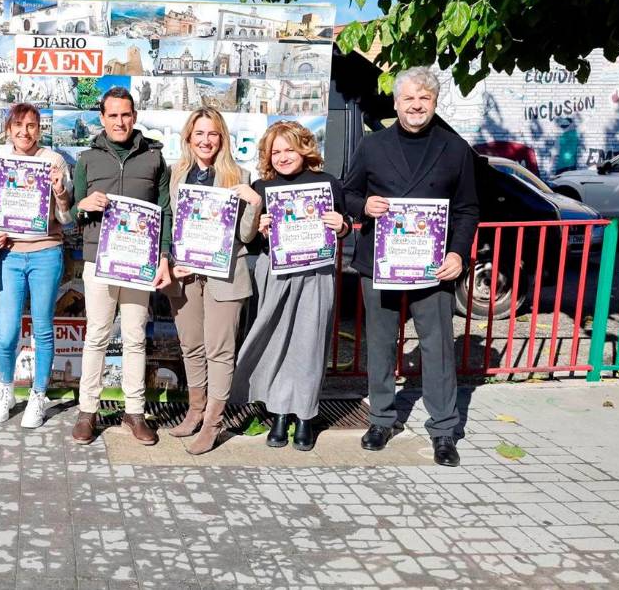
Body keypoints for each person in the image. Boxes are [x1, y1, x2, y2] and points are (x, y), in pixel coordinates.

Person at [342, 67, 479, 467]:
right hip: (380, 263)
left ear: (434, 102)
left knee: (438, 347)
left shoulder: (455, 148)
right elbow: (347, 193)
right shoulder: (373, 145)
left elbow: (468, 209)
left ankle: (444, 429)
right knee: (381, 343)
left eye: (424, 98)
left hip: (433, 266)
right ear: (396, 102)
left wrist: (458, 254)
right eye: (409, 98)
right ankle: (382, 419)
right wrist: (364, 206)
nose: (416, 105)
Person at [229, 121, 350, 452]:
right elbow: (250, 241)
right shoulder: (261, 187)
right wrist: (260, 227)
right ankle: (280, 412)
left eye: (289, 149)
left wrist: (342, 226)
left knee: (309, 345)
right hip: (275, 273)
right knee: (276, 342)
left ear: (304, 149)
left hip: (315, 274)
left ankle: (306, 415)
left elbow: (344, 227)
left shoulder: (328, 184)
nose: (282, 157)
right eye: (276, 151)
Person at [70, 87, 173, 446]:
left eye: (125, 114)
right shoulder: (86, 159)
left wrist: (163, 257)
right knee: (97, 335)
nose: (119, 121)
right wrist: (83, 205)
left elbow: (165, 212)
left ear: (134, 116)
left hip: (139, 264)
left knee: (134, 337)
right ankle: (87, 411)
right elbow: (73, 213)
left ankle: (135, 412)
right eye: (112, 115)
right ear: (102, 118)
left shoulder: (155, 159)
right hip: (98, 260)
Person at [165, 108, 262, 455]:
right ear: (188, 138)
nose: (206, 141)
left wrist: (254, 203)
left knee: (220, 351)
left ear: (222, 138)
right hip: (186, 275)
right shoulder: (175, 175)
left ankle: (213, 423)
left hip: (225, 274)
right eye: (199, 134)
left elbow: (246, 236)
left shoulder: (240, 175)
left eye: (213, 134)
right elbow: (170, 223)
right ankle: (195, 411)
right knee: (191, 345)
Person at [0, 103, 74, 429]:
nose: (25, 132)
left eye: (31, 126)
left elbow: (66, 217)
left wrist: (60, 190)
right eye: (18, 125)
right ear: (9, 129)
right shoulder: (0, 161)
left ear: (40, 129)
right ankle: (5, 389)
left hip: (46, 252)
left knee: (43, 329)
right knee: (7, 332)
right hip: (10, 255)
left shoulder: (53, 160)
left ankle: (38, 395)